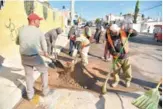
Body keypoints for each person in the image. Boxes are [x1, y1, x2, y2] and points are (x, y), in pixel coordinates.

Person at [18, 13, 50, 100]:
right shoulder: (38, 31)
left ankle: (30, 95)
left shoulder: (21, 29)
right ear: (34, 21)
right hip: (34, 57)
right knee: (44, 71)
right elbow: (43, 43)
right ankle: (45, 91)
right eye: (38, 21)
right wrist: (45, 52)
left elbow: (18, 42)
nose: (39, 22)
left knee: (28, 76)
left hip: (24, 57)